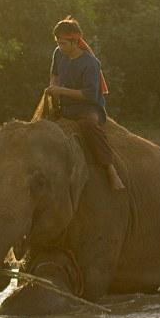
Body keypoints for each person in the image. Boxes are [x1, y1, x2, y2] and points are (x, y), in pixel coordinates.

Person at [44, 17, 126, 191]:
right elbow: (55, 74)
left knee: (89, 126)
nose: (60, 46)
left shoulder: (90, 63)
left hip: (87, 108)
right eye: (58, 42)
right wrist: (53, 87)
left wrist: (60, 91)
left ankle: (110, 169)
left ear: (75, 42)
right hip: (65, 106)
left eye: (64, 43)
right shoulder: (59, 53)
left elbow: (88, 95)